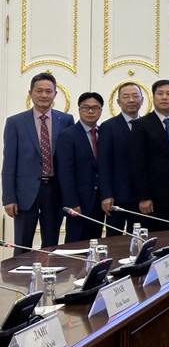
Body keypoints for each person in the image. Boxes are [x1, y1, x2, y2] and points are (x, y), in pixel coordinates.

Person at [2, 72, 74, 253]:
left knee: (51, 244)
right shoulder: (15, 122)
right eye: (39, 91)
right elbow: (9, 163)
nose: (44, 95)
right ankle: (19, 281)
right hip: (25, 194)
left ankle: (50, 278)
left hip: (55, 191)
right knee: (22, 245)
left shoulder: (66, 120)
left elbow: (69, 161)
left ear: (55, 94)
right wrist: (9, 198)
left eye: (48, 91)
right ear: (30, 93)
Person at [129, 79, 169, 230]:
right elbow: (137, 163)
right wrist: (144, 196)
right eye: (160, 94)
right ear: (153, 97)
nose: (164, 97)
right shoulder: (141, 125)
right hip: (154, 196)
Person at [58, 92, 105, 243]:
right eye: (86, 108)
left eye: (95, 108)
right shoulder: (68, 135)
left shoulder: (104, 133)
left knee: (95, 243)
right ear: (79, 110)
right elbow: (65, 173)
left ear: (101, 111)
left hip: (100, 202)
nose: (90, 111)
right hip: (79, 203)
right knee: (75, 244)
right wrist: (72, 203)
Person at [98, 82, 143, 236]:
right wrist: (106, 194)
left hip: (141, 197)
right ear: (118, 102)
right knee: (113, 239)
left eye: (135, 96)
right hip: (116, 197)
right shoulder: (108, 127)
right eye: (126, 96)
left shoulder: (147, 125)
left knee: (138, 239)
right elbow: (104, 163)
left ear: (142, 100)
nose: (131, 100)